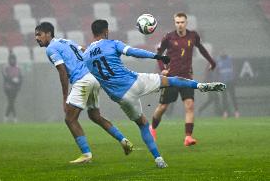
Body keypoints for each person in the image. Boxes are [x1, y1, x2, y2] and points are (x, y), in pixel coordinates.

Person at [82, 19, 225, 168]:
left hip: (122, 97)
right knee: (171, 80)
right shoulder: (112, 43)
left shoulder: (86, 57)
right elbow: (133, 52)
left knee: (143, 125)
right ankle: (201, 86)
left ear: (93, 33)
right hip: (135, 81)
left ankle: (159, 159)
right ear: (106, 31)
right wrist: (157, 56)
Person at [35, 22, 133, 164]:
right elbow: (84, 50)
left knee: (70, 119)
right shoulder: (66, 41)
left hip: (82, 80)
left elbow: (62, 71)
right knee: (95, 116)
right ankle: (123, 140)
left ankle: (86, 155)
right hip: (93, 77)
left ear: (48, 33)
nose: (36, 38)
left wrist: (64, 97)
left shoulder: (51, 49)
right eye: (36, 35)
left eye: (39, 34)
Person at [150, 12, 217, 146]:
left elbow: (202, 49)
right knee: (163, 107)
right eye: (177, 22)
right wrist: (162, 67)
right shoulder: (168, 37)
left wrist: (211, 61)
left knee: (189, 105)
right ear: (175, 23)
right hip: (171, 78)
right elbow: (158, 54)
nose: (180, 24)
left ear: (186, 23)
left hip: (187, 77)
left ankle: (188, 137)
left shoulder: (193, 36)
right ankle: (152, 128)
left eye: (182, 22)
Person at [216, 53, 239, 118]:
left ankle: (236, 111)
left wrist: (234, 78)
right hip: (223, 82)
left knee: (233, 96)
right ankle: (225, 112)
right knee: (224, 98)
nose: (223, 51)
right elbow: (217, 71)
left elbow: (234, 69)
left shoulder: (230, 59)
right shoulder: (218, 60)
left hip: (230, 81)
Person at [2, 53, 22, 123]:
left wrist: (19, 85)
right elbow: (5, 77)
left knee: (11, 102)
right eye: (11, 59)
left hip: (15, 88)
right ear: (9, 60)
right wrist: (13, 80)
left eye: (13, 59)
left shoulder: (18, 68)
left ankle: (6, 117)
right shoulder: (6, 67)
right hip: (8, 88)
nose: (12, 60)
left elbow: (21, 77)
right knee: (11, 101)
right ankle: (14, 117)